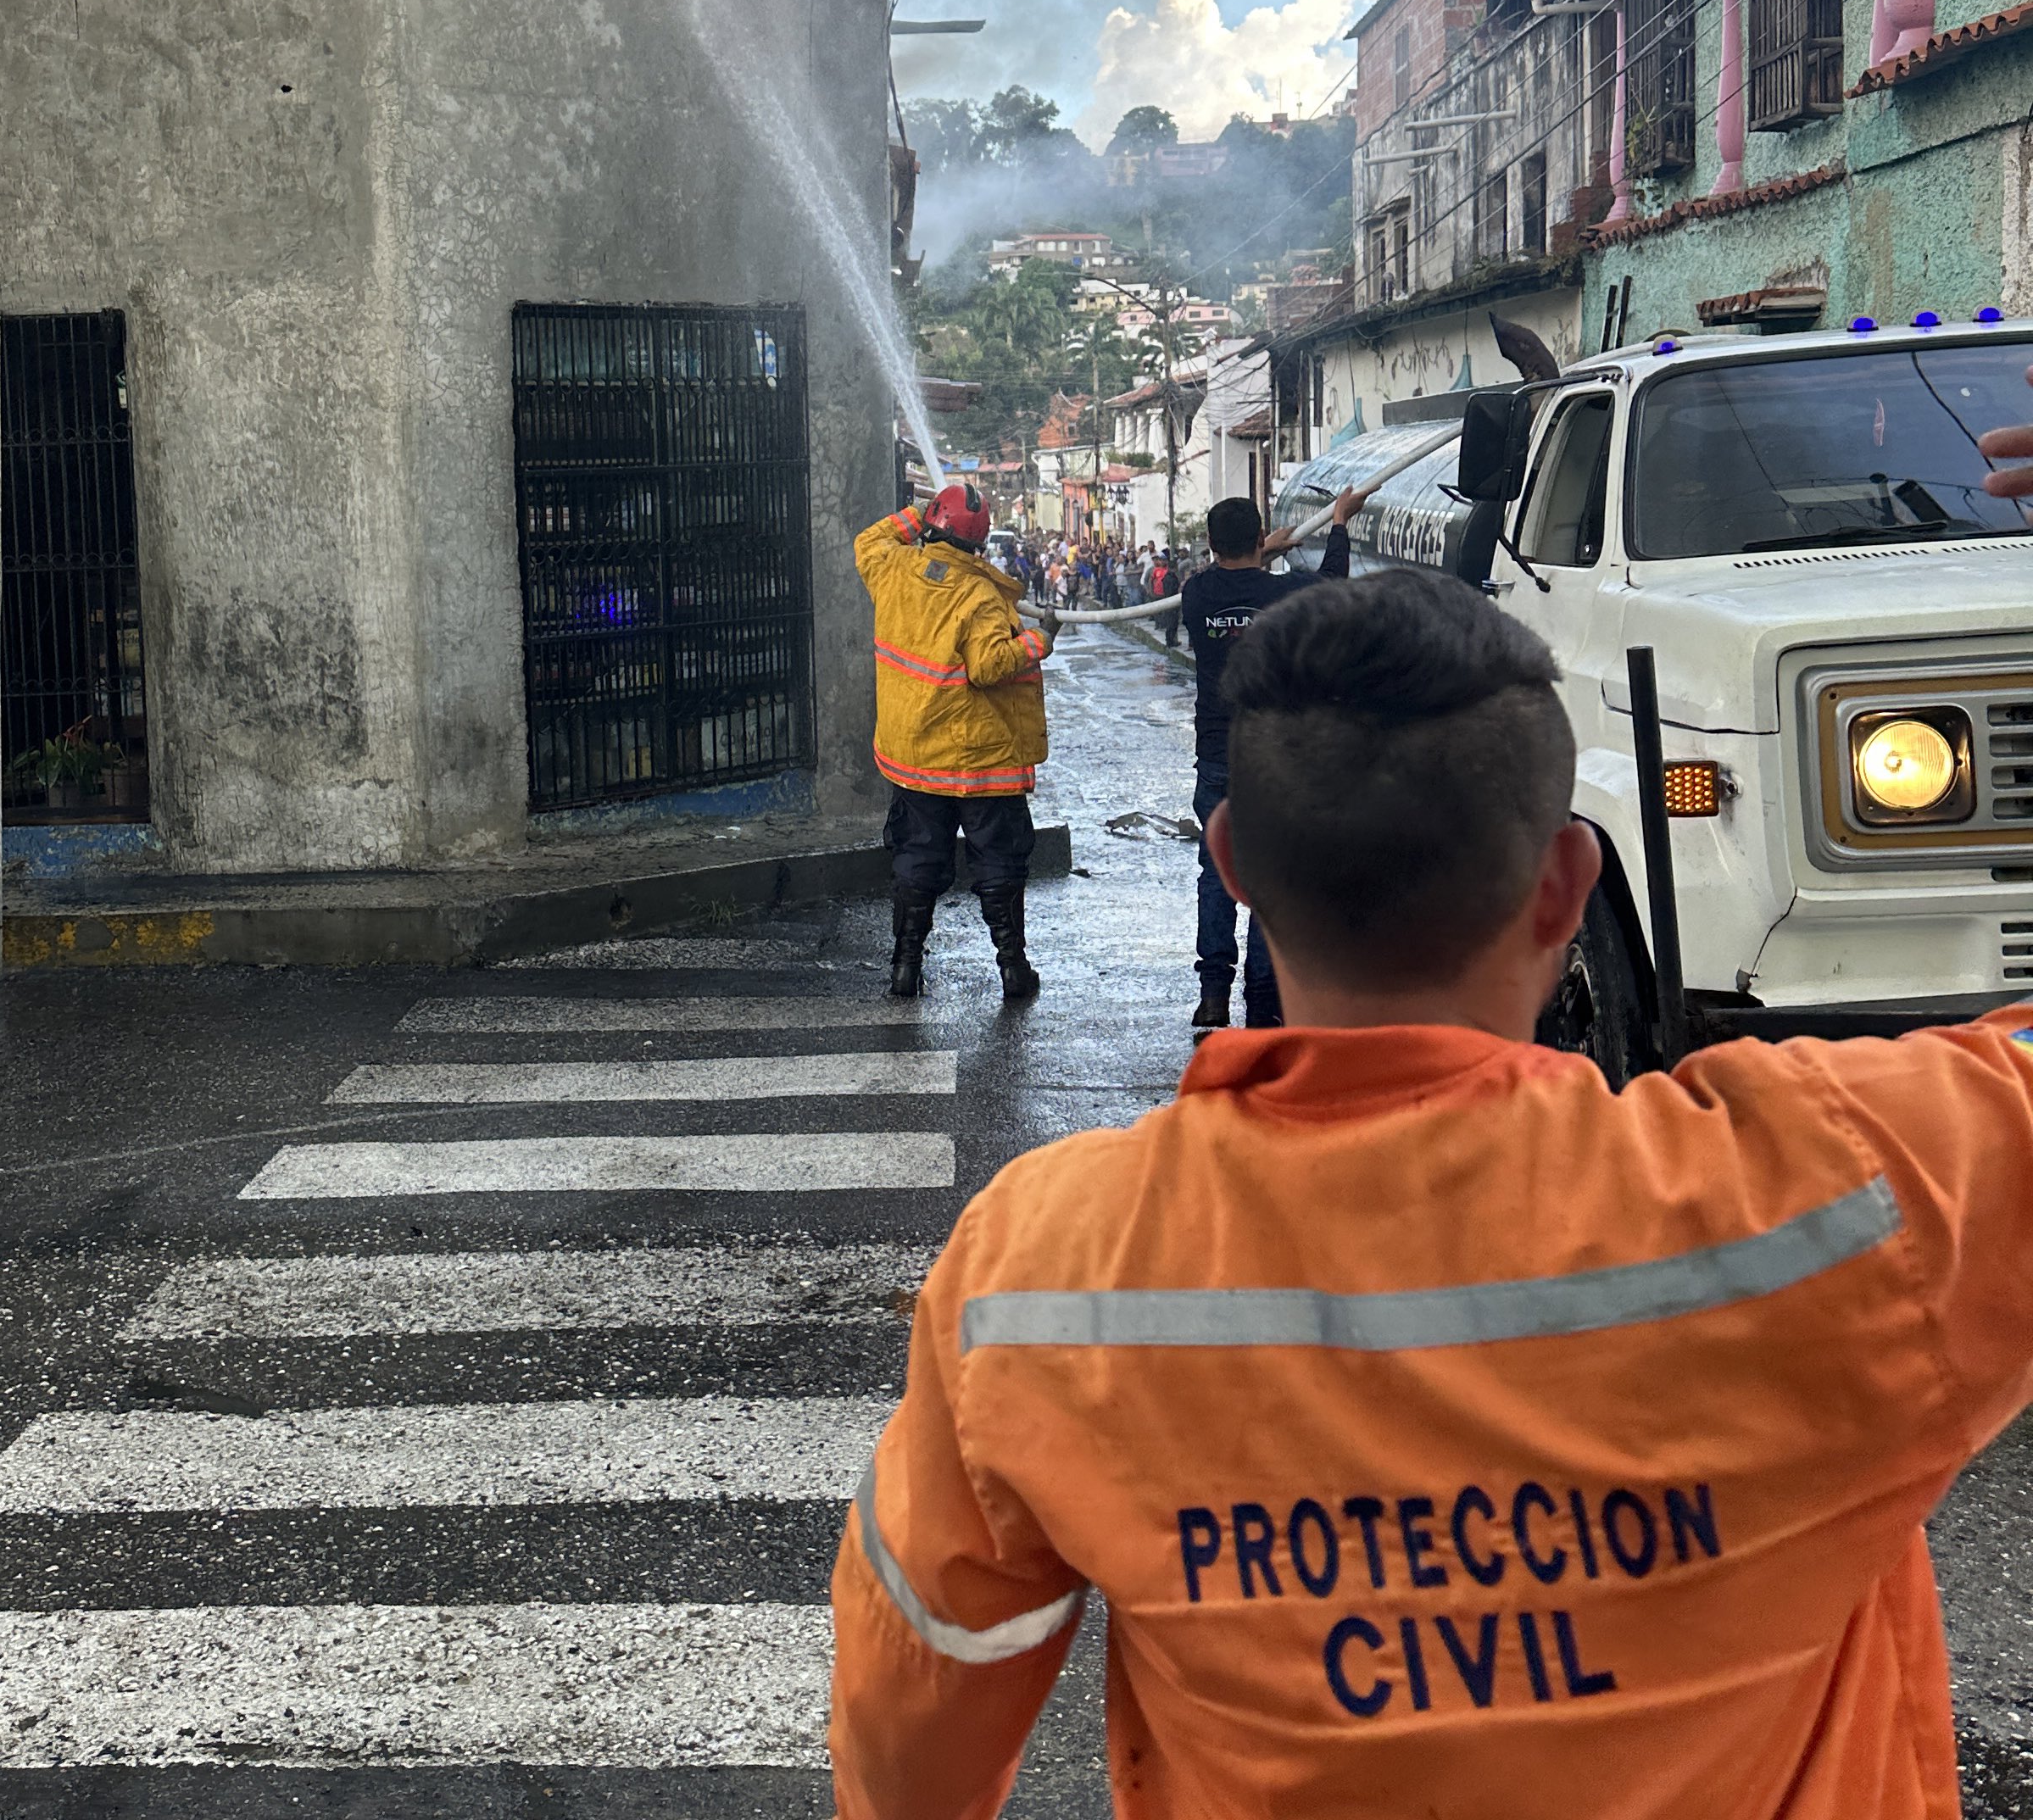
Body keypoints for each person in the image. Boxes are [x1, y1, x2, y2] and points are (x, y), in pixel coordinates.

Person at [830, 550, 2033, 1820]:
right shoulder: (1851, 1191)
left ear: (1232, 861)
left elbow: (915, 1708)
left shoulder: (1044, 1272)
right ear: (1567, 884)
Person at [854, 481, 1055, 1005]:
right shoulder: (980, 595)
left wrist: (915, 513)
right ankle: (1013, 969)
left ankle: (904, 967)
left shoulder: (893, 569)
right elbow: (989, 666)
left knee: (917, 861)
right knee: (1000, 863)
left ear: (931, 524)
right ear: (981, 542)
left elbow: (868, 541)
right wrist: (1037, 643)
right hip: (978, 761)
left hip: (915, 757)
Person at [1178, 488, 1360, 1031]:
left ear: (1210, 544)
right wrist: (1340, 524)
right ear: (1260, 539)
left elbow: (1237, 580)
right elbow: (1332, 585)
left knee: (1217, 875)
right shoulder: (1286, 596)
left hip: (1216, 757)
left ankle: (1213, 996)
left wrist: (1262, 554)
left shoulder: (1194, 596)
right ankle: (1263, 1002)